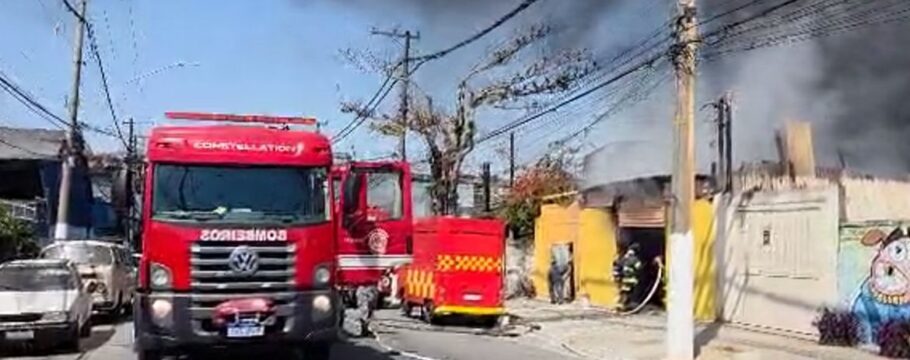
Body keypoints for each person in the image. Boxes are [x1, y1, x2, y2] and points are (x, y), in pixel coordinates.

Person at [618, 243, 644, 311]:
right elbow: (639, 268)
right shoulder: (634, 259)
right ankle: (627, 306)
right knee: (631, 294)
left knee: (624, 292)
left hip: (624, 279)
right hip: (632, 280)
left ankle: (621, 305)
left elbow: (619, 265)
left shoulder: (624, 258)